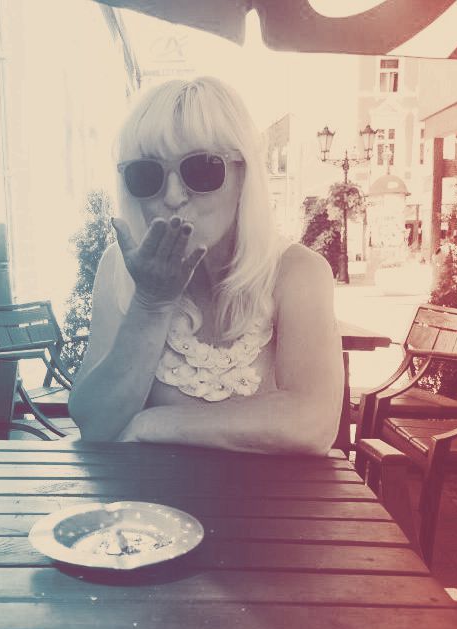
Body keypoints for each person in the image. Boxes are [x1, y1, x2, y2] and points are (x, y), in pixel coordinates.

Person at [68, 76, 343, 454]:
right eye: (146, 175)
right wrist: (151, 303)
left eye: (201, 169)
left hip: (267, 492)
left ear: (243, 175)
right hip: (149, 491)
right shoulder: (119, 266)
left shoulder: (297, 272)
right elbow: (95, 423)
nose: (172, 196)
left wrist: (154, 423)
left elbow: (313, 422)